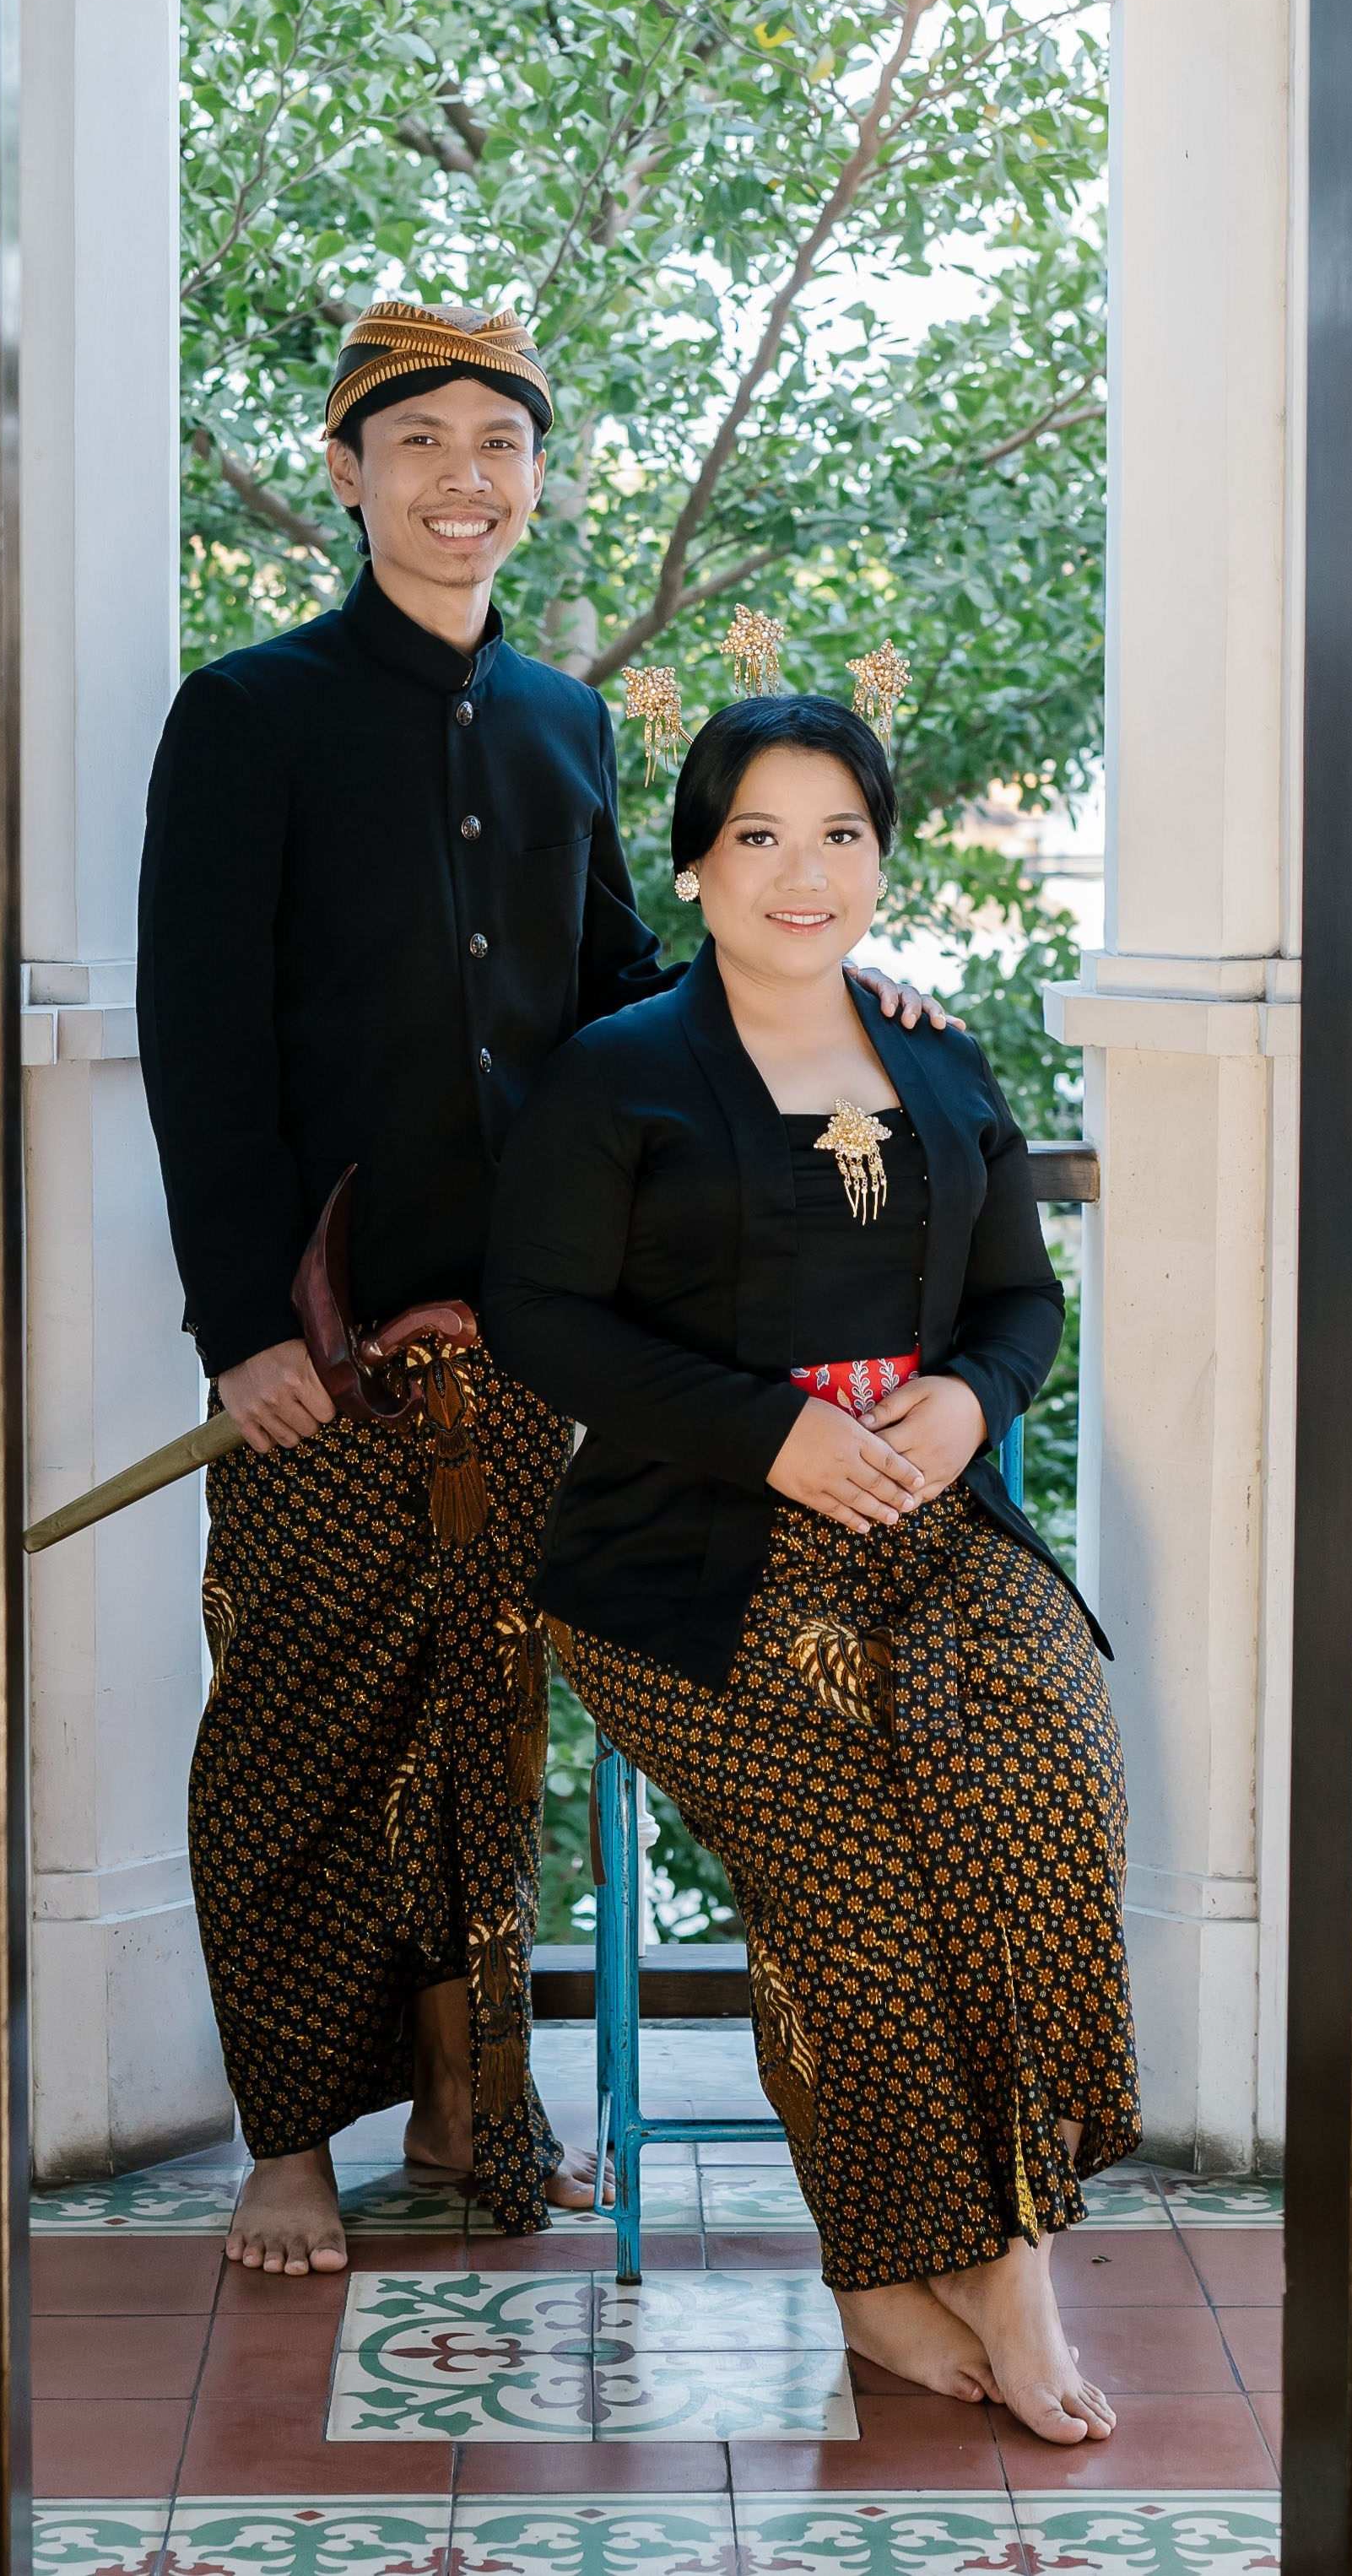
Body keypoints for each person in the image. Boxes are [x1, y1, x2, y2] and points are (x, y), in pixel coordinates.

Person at [137, 302, 945, 2275]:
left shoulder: (565, 722)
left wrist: (827, 988)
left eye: (498, 440)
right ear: (347, 473)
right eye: (418, 439)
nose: (462, 476)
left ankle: (467, 2101)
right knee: (297, 1730)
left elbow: (615, 1002)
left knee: (482, 1722)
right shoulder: (247, 715)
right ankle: (286, 2142)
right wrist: (244, 1324)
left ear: (537, 477)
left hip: (524, 1336)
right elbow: (200, 1037)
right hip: (328, 1350)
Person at [484, 693, 1141, 2441]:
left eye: (839, 832)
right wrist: (765, 1433)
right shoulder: (617, 1073)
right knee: (861, 1876)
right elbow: (537, 1314)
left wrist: (969, 1396)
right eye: (759, 834)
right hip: (682, 1559)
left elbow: (1019, 1299)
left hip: (935, 1532)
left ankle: (974, 2258)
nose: (803, 870)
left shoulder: (941, 1057)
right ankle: (950, 2273)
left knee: (1047, 1788)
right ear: (696, 864)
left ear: (881, 858)